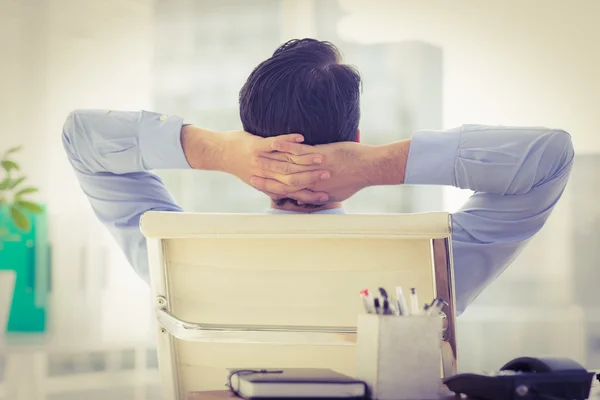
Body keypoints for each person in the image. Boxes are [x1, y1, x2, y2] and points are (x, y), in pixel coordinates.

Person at [63, 39, 574, 314]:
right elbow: (547, 155)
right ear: (354, 132)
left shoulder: (172, 255)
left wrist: (218, 152)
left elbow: (82, 138)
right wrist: (376, 164)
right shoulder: (436, 260)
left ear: (249, 134)